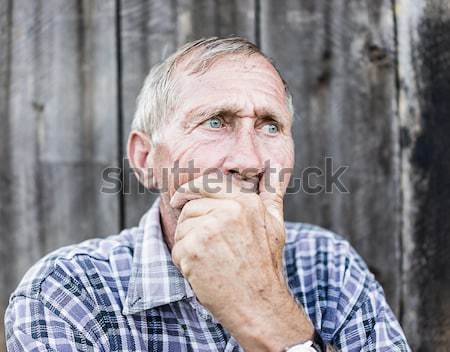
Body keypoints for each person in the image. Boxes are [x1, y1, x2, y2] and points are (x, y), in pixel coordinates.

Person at [5, 37, 410, 352]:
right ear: (146, 159)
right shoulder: (67, 290)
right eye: (216, 121)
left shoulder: (328, 267)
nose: (249, 161)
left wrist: (268, 309)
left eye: (270, 126)